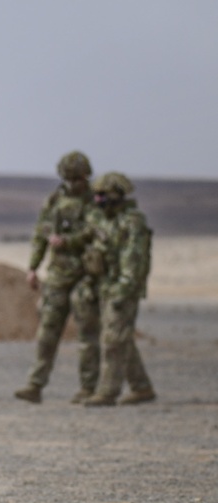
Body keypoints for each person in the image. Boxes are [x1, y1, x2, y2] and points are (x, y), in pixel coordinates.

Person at [14, 151, 100, 404]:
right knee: (47, 333)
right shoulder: (54, 200)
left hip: (85, 276)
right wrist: (32, 268)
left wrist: (70, 240)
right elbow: (41, 235)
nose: (74, 182)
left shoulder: (95, 201)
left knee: (87, 335)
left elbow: (97, 232)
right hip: (57, 276)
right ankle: (35, 385)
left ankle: (88, 387)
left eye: (78, 178)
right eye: (70, 178)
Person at [81, 173, 156, 406]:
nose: (98, 199)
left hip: (123, 289)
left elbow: (133, 259)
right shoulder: (104, 220)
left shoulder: (132, 221)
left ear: (116, 195)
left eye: (102, 195)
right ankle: (142, 387)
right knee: (121, 338)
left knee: (113, 339)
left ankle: (107, 392)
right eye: (97, 194)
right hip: (105, 286)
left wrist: (123, 289)